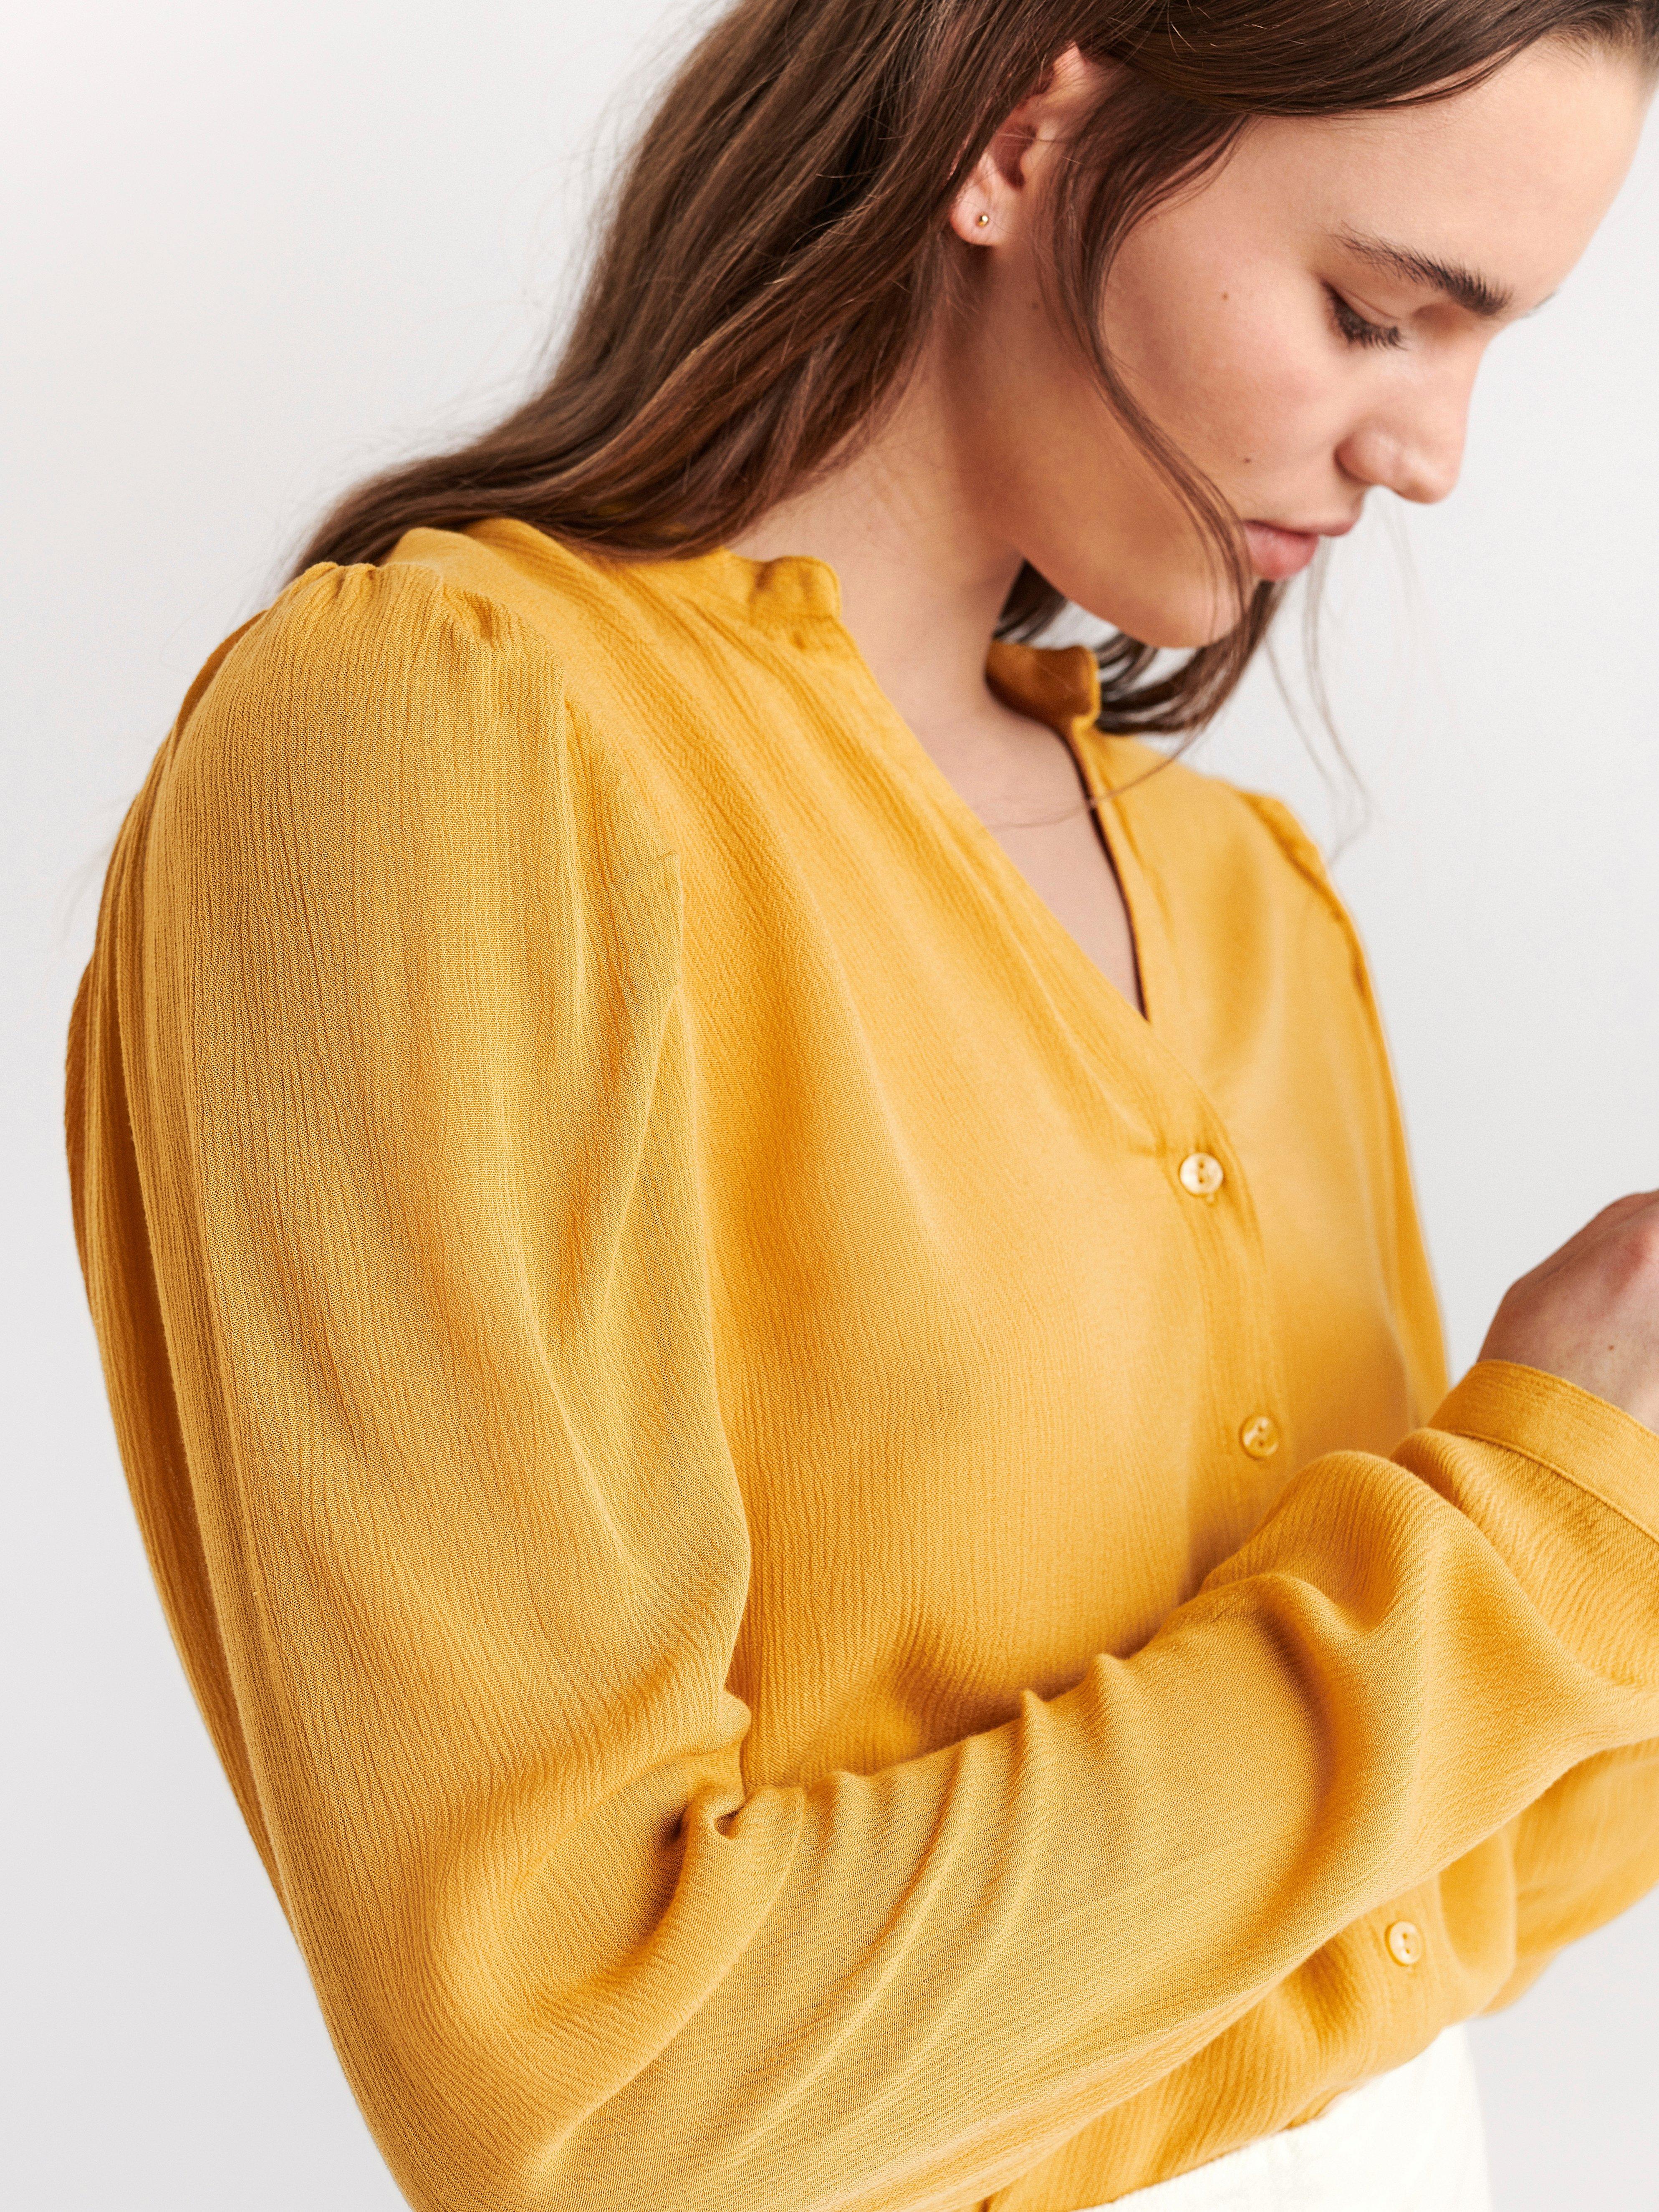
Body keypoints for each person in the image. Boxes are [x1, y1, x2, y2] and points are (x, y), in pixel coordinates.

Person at [66, 2, 1659, 2207]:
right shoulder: (444, 750)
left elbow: (1426, 1897)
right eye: (1375, 311)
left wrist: (1613, 1527)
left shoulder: (1252, 906)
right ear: (1025, 134)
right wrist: (1526, 1537)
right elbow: (593, 2096)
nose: (1433, 455)